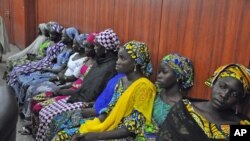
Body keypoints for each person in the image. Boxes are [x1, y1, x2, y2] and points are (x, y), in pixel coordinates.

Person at [53, 40, 155, 141]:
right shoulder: (122, 81)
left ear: (135, 63)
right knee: (63, 125)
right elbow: (111, 107)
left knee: (68, 136)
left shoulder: (144, 88)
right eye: (118, 57)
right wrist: (97, 122)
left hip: (122, 135)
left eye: (122, 58)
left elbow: (132, 127)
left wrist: (95, 135)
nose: (117, 61)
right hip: (109, 124)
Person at [35, 28, 120, 141]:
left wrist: (72, 92)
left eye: (97, 46)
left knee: (50, 116)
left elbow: (93, 92)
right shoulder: (101, 61)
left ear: (106, 49)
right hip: (79, 94)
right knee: (45, 112)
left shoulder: (110, 67)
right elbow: (85, 83)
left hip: (87, 101)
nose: (94, 48)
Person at [157, 64, 250, 141]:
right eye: (222, 86)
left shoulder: (242, 125)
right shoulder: (184, 111)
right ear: (213, 82)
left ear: (240, 99)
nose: (224, 95)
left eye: (234, 94)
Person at [143, 53, 194, 140]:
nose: (159, 76)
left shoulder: (182, 107)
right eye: (159, 72)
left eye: (164, 72)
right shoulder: (155, 92)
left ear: (178, 76)